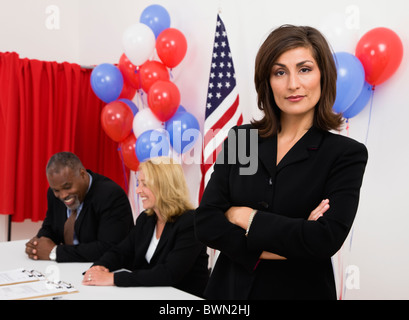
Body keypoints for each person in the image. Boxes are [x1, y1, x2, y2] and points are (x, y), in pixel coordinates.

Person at [194, 25, 368, 300]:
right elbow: (206, 223)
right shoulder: (243, 140)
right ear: (267, 81)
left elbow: (323, 240)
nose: (293, 84)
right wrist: (296, 237)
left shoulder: (345, 154)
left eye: (305, 69)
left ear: (324, 75)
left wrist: (243, 216)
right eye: (280, 72)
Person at [82, 157, 209, 298]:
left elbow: (169, 273)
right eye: (138, 183)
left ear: (164, 186)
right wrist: (99, 266)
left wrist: (113, 278)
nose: (138, 190)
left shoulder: (191, 222)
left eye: (144, 184)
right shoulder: (146, 219)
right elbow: (121, 252)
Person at [25, 152, 134, 262]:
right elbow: (50, 227)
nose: (63, 195)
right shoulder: (53, 194)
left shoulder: (111, 195)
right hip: (70, 269)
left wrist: (55, 252)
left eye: (67, 187)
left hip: (107, 271)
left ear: (82, 174)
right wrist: (37, 245)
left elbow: (108, 248)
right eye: (56, 190)